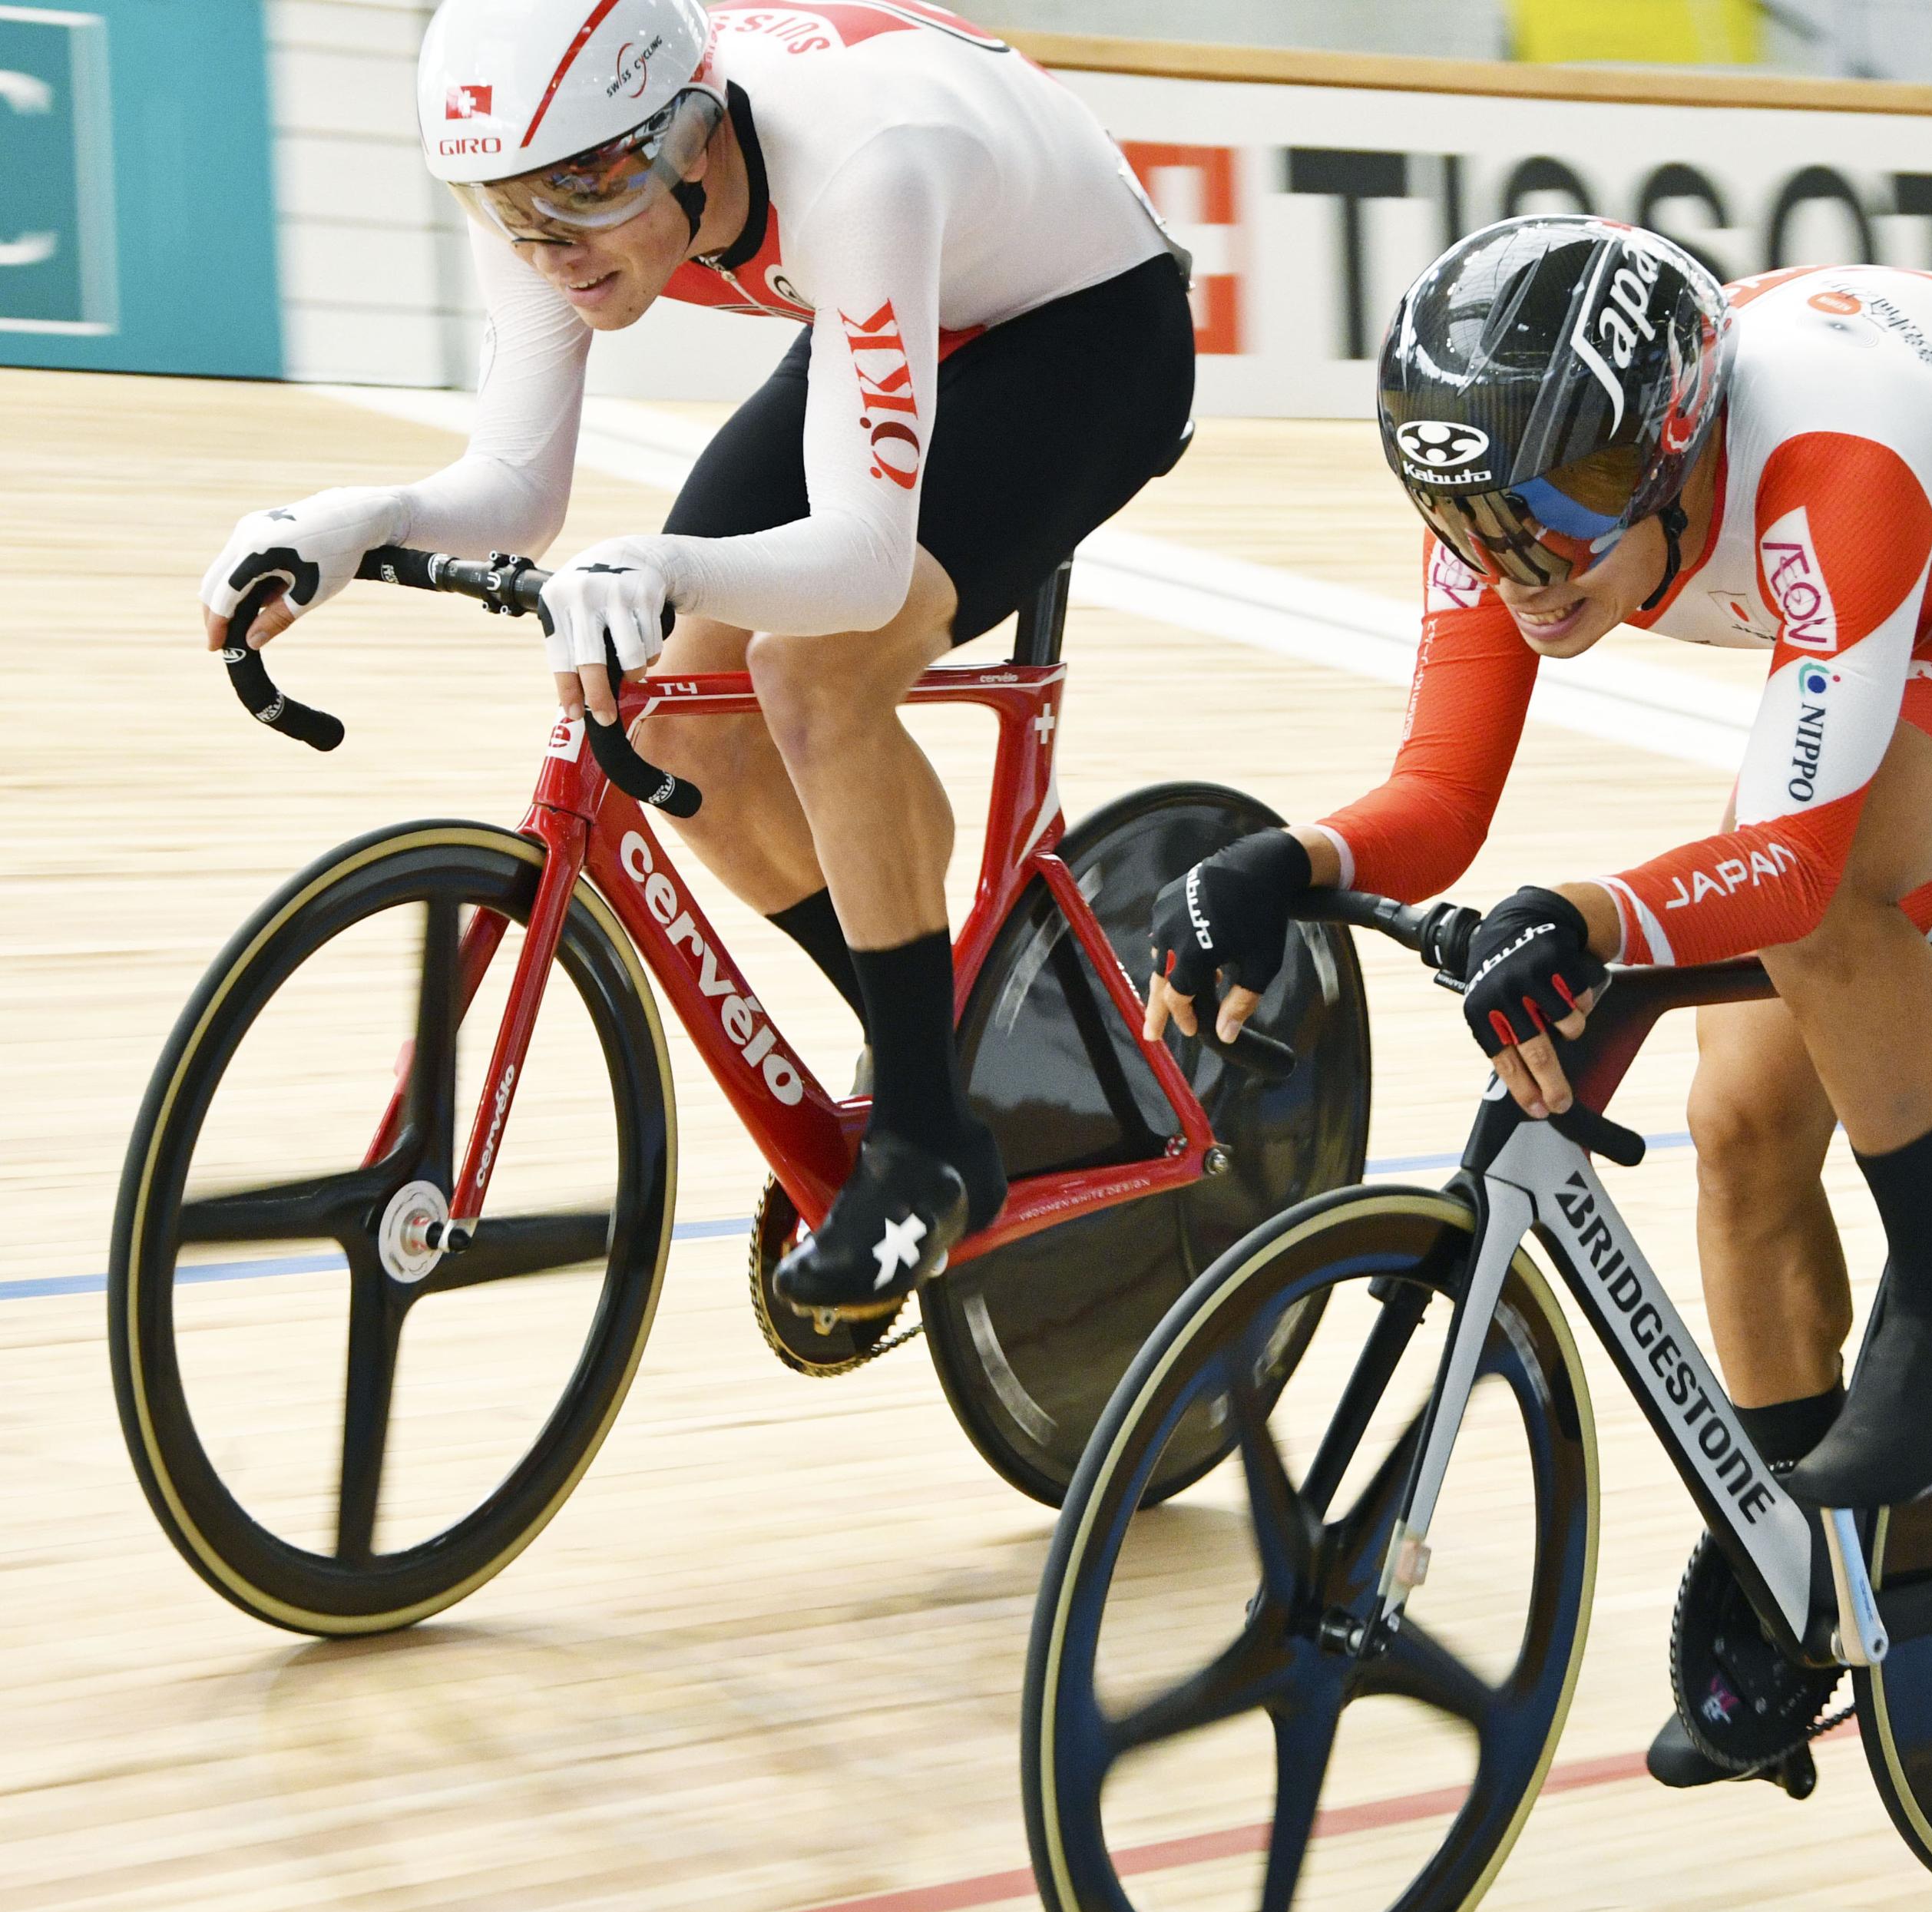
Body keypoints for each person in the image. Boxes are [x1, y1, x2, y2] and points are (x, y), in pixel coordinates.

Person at [1141, 218, 1932, 1784]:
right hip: (1907, 599)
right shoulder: (1517, 477)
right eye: (1473, 529)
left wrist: (1589, 915)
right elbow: (1441, 793)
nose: (1520, 567)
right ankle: (1801, 1567)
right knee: (1737, 1121)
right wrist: (1280, 859)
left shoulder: (1823, 466)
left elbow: (1789, 867)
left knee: (1831, 881)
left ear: (1665, 446)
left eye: (1557, 527)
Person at [198, 0, 1195, 1317]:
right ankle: (967, 1050)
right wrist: (354, 524)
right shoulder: (561, 179)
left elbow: (860, 560)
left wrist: (663, 567)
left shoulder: (859, 168)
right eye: (507, 209)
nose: (549, 249)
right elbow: (514, 484)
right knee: (673, 718)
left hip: (1088, 330)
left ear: (692, 139)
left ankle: (932, 1144)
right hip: (920, 294)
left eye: (581, 200)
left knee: (814, 669)